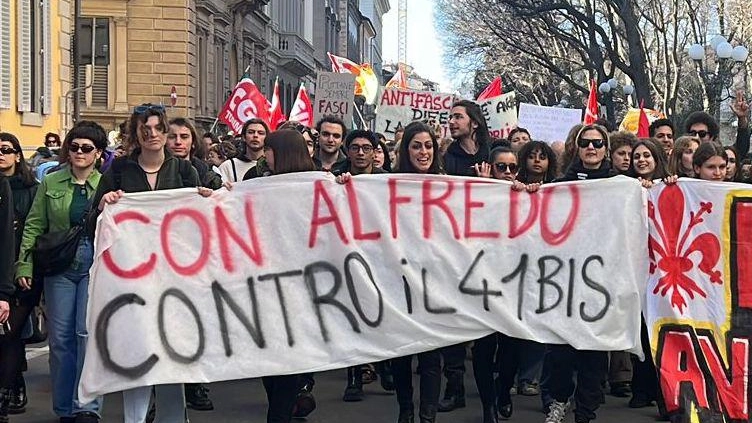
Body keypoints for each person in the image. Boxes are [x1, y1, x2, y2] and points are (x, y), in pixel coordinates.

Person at [91, 105, 210, 423]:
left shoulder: (185, 172)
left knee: (173, 357)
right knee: (137, 352)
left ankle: (173, 418)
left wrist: (205, 202)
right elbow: (93, 222)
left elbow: (197, 227)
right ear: (136, 133)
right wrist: (105, 205)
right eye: (146, 129)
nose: (153, 135)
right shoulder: (118, 172)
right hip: (132, 282)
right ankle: (135, 420)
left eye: (159, 128)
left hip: (174, 280)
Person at [16, 122, 108, 423]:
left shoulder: (107, 186)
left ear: (98, 154)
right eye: (74, 146)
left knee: (87, 335)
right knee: (60, 340)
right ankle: (65, 408)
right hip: (59, 266)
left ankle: (87, 407)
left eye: (86, 148)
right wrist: (25, 264)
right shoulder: (51, 182)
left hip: (94, 266)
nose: (79, 153)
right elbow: (34, 224)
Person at [242, 130, 315, 422]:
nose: (264, 154)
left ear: (282, 153)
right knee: (267, 359)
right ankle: (282, 407)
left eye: (269, 150)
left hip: (299, 287)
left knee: (288, 359)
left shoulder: (316, 184)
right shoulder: (253, 181)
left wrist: (344, 186)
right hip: (263, 284)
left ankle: (280, 415)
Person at [544, 124, 613, 423]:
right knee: (561, 351)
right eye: (585, 142)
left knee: (594, 353)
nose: (592, 148)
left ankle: (585, 411)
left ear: (605, 148)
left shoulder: (619, 184)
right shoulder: (561, 184)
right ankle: (560, 400)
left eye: (598, 143)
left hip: (603, 280)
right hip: (567, 280)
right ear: (577, 146)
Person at [391, 121, 442, 423]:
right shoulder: (386, 184)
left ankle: (427, 416)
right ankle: (406, 409)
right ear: (405, 150)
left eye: (428, 146)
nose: (423, 152)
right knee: (401, 352)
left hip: (436, 282)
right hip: (397, 280)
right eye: (416, 146)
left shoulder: (448, 185)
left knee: (431, 354)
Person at [0, 133, 39, 416]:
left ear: (17, 155)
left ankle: (12, 385)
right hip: (3, 264)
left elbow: (33, 230)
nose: (0, 155)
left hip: (22, 267)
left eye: (5, 150)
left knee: (13, 333)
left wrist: (25, 265)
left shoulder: (30, 188)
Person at [168, 118, 223, 191]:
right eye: (172, 137)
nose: (178, 142)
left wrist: (221, 188)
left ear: (193, 142)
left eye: (184, 137)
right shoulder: (154, 171)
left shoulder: (205, 172)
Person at [445, 99, 491, 177]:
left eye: (458, 117)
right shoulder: (447, 158)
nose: (451, 121)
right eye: (450, 117)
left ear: (475, 123)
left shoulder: (492, 151)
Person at [216, 118, 269, 183]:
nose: (255, 135)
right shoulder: (228, 166)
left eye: (260, 133)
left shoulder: (272, 166)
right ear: (243, 137)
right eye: (251, 132)